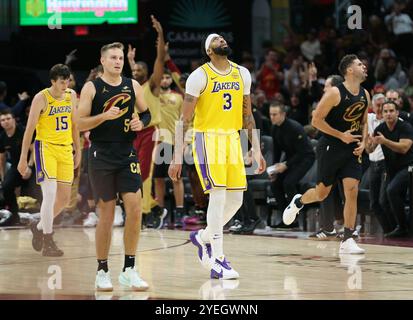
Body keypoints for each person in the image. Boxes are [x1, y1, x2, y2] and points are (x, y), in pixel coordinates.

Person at [169, 33, 266, 279]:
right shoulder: (199, 76)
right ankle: (218, 259)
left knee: (235, 200)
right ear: (208, 50)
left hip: (233, 139)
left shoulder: (242, 73)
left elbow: (247, 114)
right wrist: (177, 154)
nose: (221, 40)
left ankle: (202, 237)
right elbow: (184, 118)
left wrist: (255, 147)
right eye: (215, 40)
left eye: (222, 38)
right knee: (219, 196)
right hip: (206, 138)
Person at [78, 42, 151, 292]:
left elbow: (147, 114)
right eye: (113, 57)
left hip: (126, 153)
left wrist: (140, 123)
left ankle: (129, 269)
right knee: (107, 214)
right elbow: (79, 123)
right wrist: (103, 117)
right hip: (100, 154)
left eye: (121, 57)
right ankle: (102, 270)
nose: (118, 61)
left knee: (135, 208)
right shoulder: (92, 87)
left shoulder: (132, 85)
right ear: (103, 60)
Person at [282, 54, 370, 254]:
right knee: (322, 193)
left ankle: (348, 238)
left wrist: (363, 141)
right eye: (359, 64)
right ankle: (299, 201)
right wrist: (341, 135)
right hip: (330, 146)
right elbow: (316, 121)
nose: (363, 66)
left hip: (352, 149)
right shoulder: (334, 93)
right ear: (349, 70)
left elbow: (364, 122)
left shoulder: (365, 94)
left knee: (352, 190)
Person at [17, 64, 81, 256]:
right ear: (52, 81)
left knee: (62, 200)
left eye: (67, 80)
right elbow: (29, 130)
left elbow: (74, 124)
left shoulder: (71, 95)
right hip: (45, 149)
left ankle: (37, 227)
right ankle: (48, 240)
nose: (65, 84)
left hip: (65, 150)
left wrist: (77, 149)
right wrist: (22, 158)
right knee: (50, 194)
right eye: (62, 81)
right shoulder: (41, 98)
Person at [128, 15, 166, 228]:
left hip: (151, 131)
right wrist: (131, 62)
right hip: (137, 132)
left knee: (145, 173)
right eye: (133, 71)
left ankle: (144, 214)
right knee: (135, 173)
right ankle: (156, 208)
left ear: (146, 72)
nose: (135, 73)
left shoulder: (152, 84)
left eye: (138, 70)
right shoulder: (134, 87)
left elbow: (159, 60)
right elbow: (133, 73)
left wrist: (160, 35)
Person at [366, 100, 412, 238]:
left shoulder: (405, 127)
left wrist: (385, 141)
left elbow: (404, 148)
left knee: (392, 190)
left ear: (397, 113)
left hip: (408, 166)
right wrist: (368, 143)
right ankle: (396, 228)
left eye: (391, 111)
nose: (388, 114)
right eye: (385, 111)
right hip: (391, 168)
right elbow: (370, 150)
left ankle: (403, 227)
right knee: (382, 201)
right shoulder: (380, 129)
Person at [268, 102, 315, 229]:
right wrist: (274, 170)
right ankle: (286, 219)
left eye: (275, 114)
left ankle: (294, 218)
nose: (272, 117)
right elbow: (277, 151)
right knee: (275, 184)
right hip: (291, 159)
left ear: (283, 114)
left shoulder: (295, 128)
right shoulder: (274, 128)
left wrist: (286, 165)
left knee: (289, 183)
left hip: (305, 158)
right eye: (270, 114)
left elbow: (303, 152)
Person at [153, 70, 184, 227]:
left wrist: (183, 143)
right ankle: (160, 211)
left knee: (176, 178)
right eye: (162, 77)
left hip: (173, 141)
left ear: (171, 80)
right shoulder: (152, 96)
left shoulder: (178, 97)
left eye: (167, 78)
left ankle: (179, 211)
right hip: (156, 143)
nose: (165, 80)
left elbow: (184, 121)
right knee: (157, 179)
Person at [0, 109, 33, 226]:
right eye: (3, 120)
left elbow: (34, 150)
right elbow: (2, 159)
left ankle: (50, 216)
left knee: (39, 189)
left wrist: (29, 167)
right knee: (6, 186)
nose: (6, 122)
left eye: (8, 118)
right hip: (16, 167)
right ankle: (15, 217)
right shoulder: (2, 137)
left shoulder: (23, 132)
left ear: (13, 119)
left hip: (31, 164)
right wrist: (3, 176)